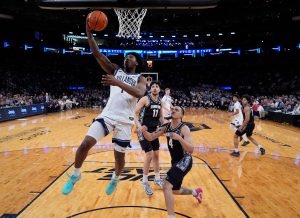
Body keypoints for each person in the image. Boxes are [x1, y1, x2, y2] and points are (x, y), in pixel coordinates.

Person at [62, 15, 147, 195]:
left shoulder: (139, 78)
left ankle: (115, 178)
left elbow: (139, 93)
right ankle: (76, 174)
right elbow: (97, 53)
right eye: (126, 56)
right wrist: (88, 33)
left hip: (125, 120)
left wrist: (117, 83)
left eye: (131, 57)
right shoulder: (115, 69)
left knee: (119, 156)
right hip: (107, 115)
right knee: (85, 144)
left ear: (137, 62)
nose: (127, 58)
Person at [141, 106, 202, 218]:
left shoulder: (184, 129)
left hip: (185, 160)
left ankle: (171, 216)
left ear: (182, 116)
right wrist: (144, 131)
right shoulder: (166, 127)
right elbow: (151, 137)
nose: (173, 110)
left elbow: (191, 149)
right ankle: (195, 192)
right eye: (172, 109)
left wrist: (179, 138)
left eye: (177, 110)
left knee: (166, 185)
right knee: (175, 190)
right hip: (175, 162)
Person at [134, 81, 164, 195]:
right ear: (150, 89)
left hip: (154, 130)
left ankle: (157, 179)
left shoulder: (160, 101)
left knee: (156, 154)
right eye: (153, 87)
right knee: (150, 154)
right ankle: (145, 181)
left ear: (159, 89)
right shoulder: (145, 99)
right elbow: (134, 113)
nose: (155, 88)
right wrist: (139, 126)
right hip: (143, 130)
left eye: (157, 86)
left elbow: (161, 118)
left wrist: (166, 127)